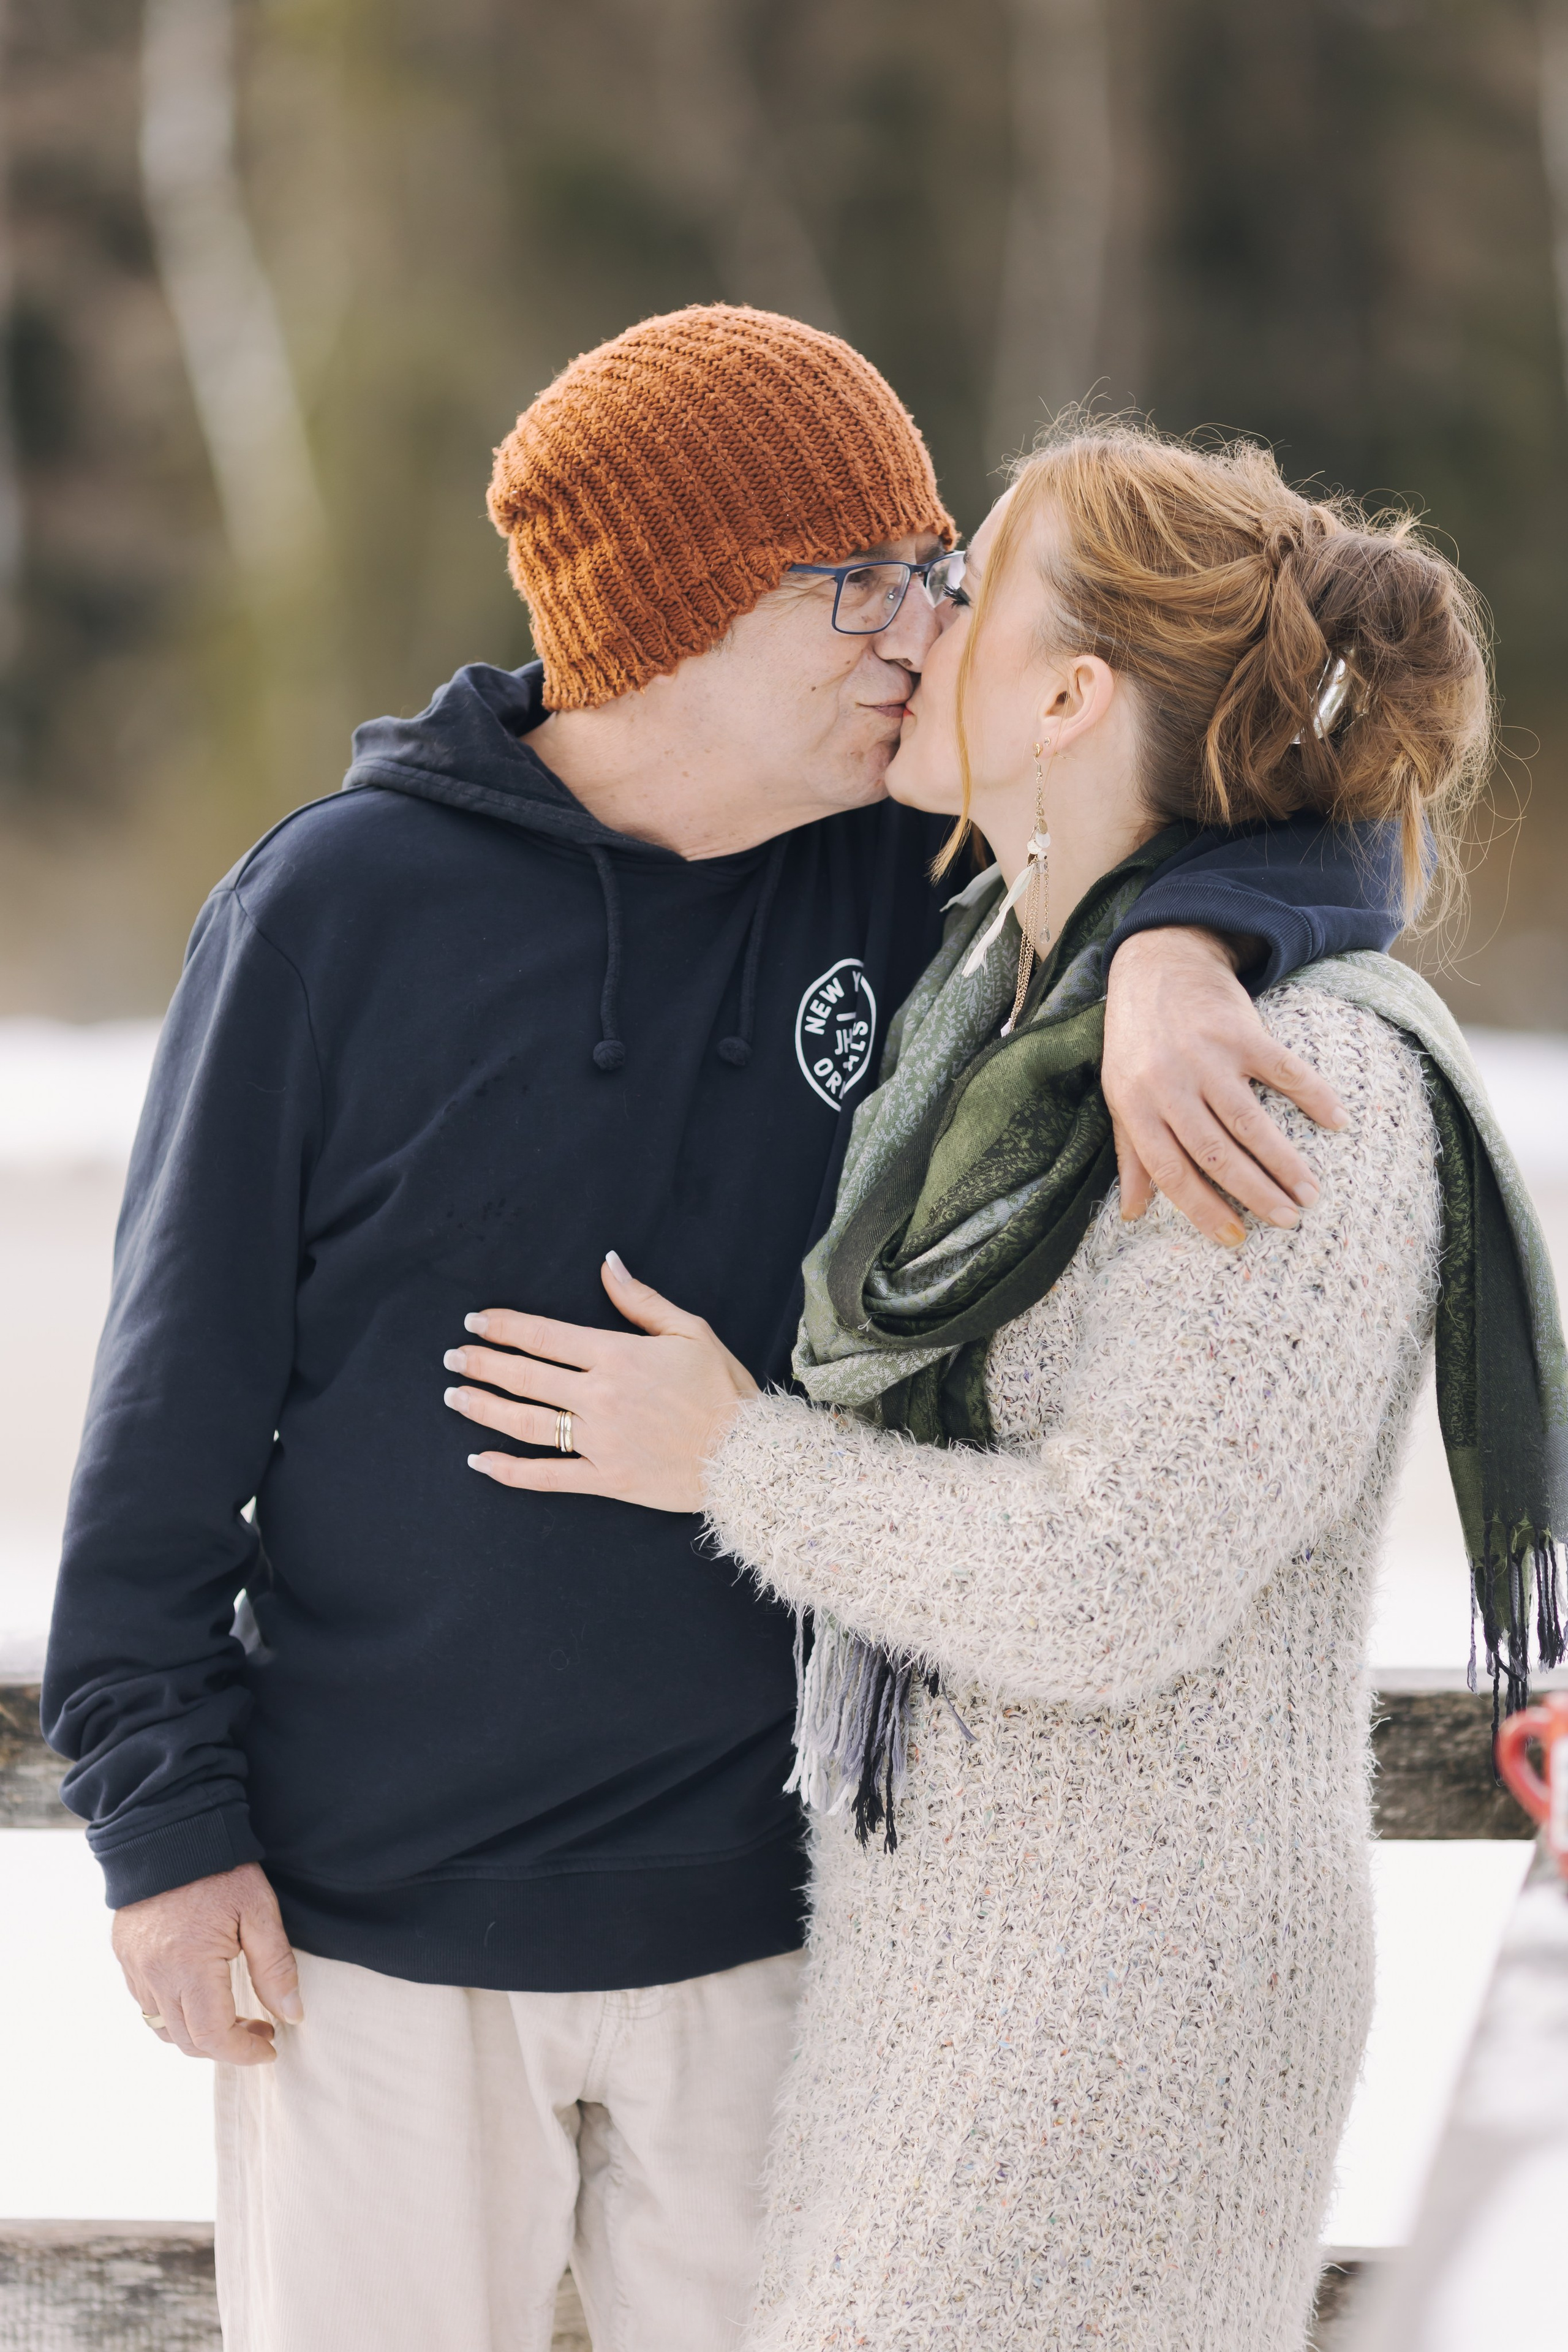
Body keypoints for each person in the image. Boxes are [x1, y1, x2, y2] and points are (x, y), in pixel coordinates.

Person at [47, 316, 1404, 2352]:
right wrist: (162, 1835)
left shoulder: (910, 871)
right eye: (863, 585)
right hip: (374, 1940)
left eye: (938, 572)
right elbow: (164, 1420)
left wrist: (1191, 949)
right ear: (672, 615)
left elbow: (1314, 798)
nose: (919, 631)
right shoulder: (331, 918)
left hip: (773, 1948)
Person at [439, 421, 1545, 2350]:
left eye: (974, 583)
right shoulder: (1023, 982)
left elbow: (1113, 1577)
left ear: (1068, 696)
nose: (923, 618)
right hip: (955, 1962)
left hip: (1127, 2003)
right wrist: (1181, 943)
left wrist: (728, 1457)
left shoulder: (1299, 1097)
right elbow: (1308, 804)